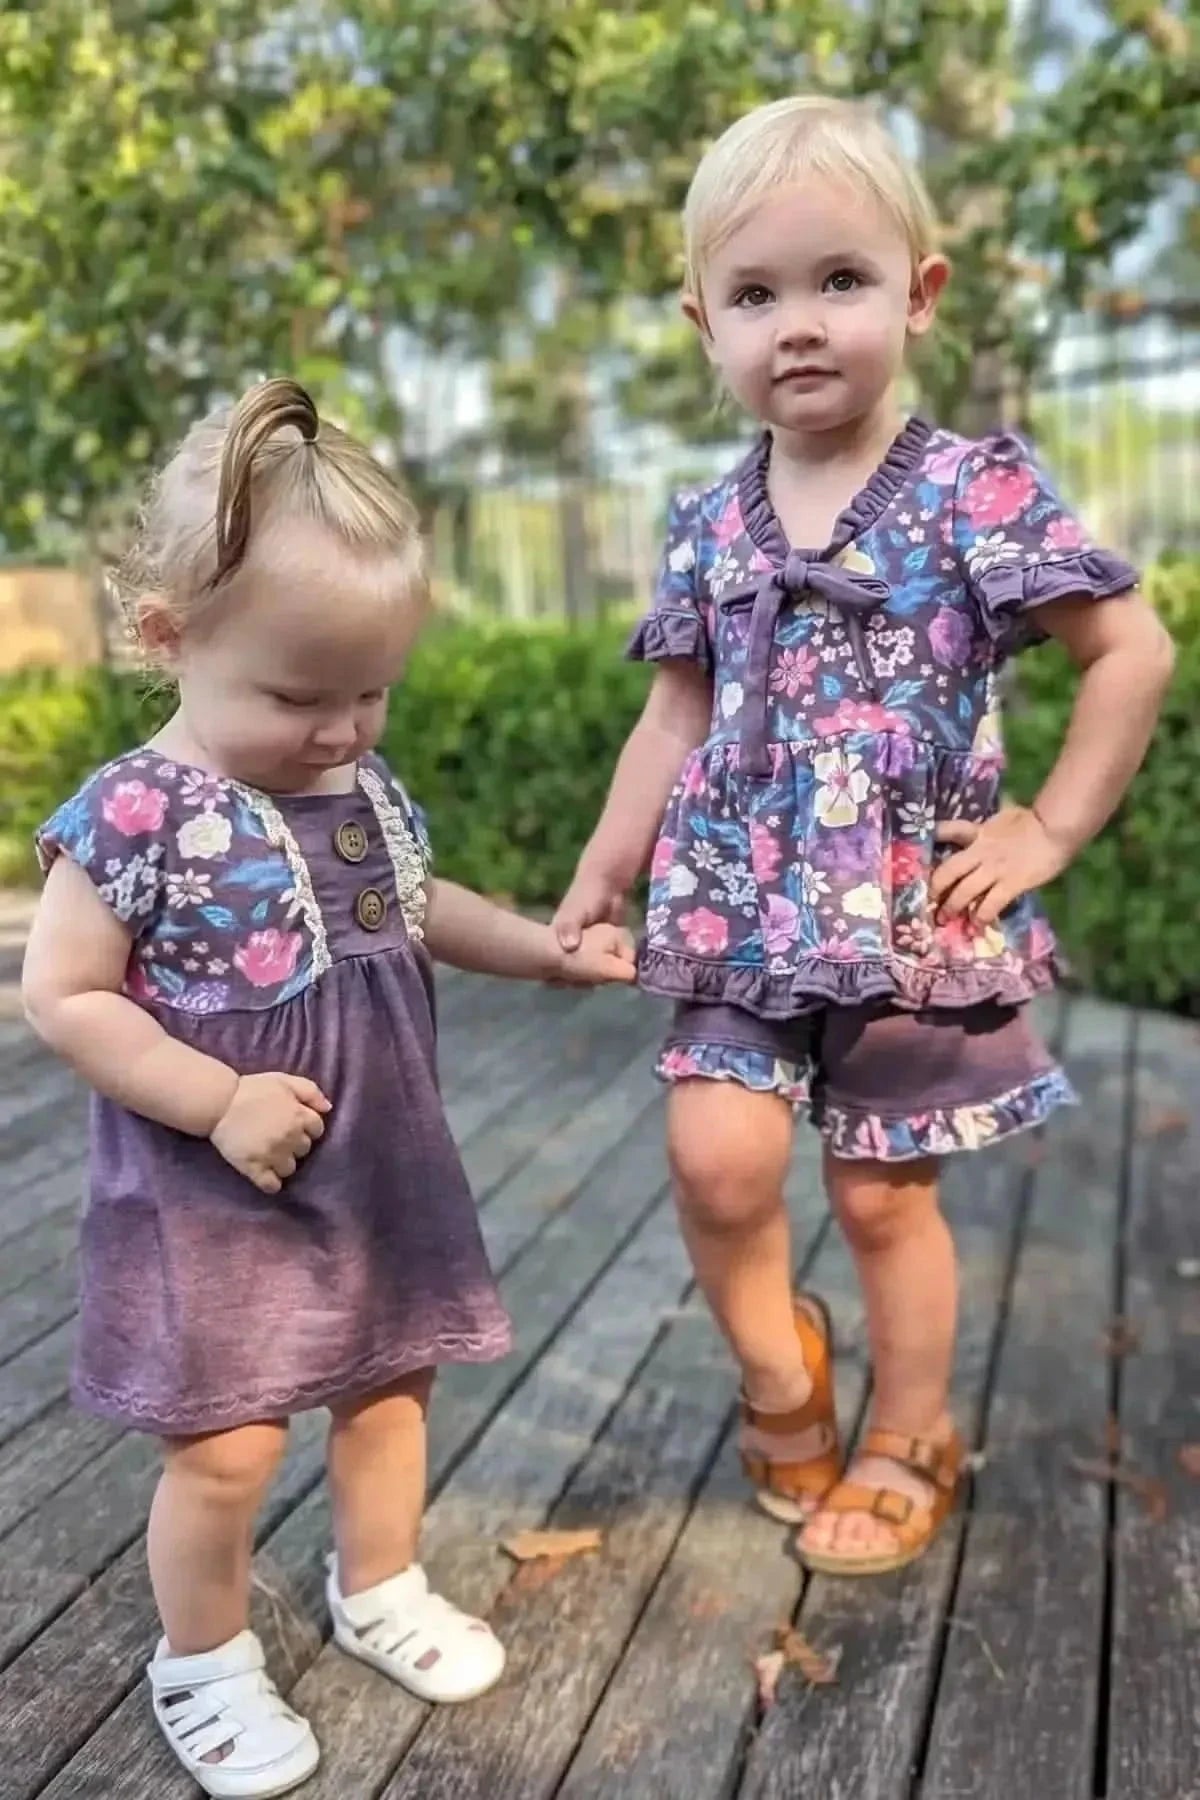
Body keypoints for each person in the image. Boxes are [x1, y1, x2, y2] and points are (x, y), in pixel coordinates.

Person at [555, 96, 1173, 1581]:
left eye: (842, 280)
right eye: (757, 296)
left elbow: (1130, 650)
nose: (802, 325)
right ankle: (782, 1371)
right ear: (705, 321)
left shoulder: (975, 490)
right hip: (736, 910)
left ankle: (909, 1430)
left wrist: (1049, 824)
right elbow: (671, 720)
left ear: (921, 290)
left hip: (910, 917)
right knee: (716, 1160)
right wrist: (603, 864)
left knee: (881, 1192)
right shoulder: (705, 519)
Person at [23, 378, 635, 1799]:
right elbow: (64, 994)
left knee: (390, 1392)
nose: (346, 729)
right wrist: (212, 1097)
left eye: (372, 691)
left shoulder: (355, 791)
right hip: (213, 1196)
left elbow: (420, 910)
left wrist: (543, 951)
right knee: (228, 1444)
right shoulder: (134, 811)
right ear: (169, 638)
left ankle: (380, 1585)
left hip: (377, 1173)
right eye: (302, 694)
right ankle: (206, 1658)